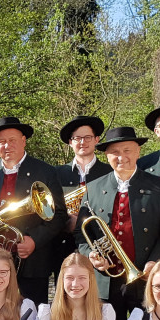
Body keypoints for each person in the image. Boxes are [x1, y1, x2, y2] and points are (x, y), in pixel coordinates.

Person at [76, 126, 160, 320]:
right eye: (114, 152)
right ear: (106, 155)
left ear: (138, 151)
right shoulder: (93, 188)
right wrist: (91, 256)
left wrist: (155, 262)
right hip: (106, 279)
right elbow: (81, 235)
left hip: (145, 275)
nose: (121, 157)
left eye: (127, 150)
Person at [0, 116, 67, 305]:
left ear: (23, 141)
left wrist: (34, 240)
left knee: (33, 316)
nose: (7, 146)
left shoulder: (45, 171)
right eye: (2, 142)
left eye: (12, 140)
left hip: (32, 262)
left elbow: (59, 215)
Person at [52, 115, 110, 283]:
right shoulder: (56, 173)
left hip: (100, 248)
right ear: (70, 142)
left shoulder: (109, 172)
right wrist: (65, 222)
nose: (82, 142)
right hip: (64, 247)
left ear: (97, 140)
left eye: (87, 137)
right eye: (77, 138)